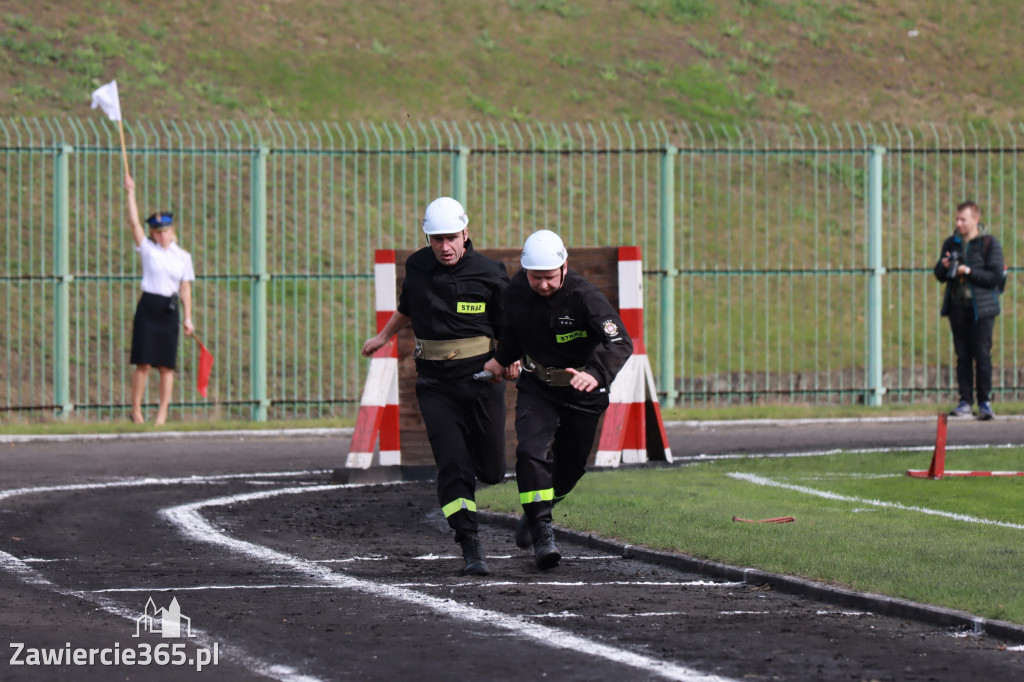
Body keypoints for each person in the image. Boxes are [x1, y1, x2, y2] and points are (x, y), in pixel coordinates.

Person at [361, 197, 517, 576]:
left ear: (466, 234)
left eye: (451, 238)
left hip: (481, 380)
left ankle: (478, 504)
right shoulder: (416, 267)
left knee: (493, 471)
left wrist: (513, 359)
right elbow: (408, 308)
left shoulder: (490, 273)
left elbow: (511, 323)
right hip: (434, 383)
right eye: (436, 239)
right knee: (452, 463)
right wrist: (383, 337)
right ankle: (470, 543)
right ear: (427, 238)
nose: (444, 247)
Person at [483, 230, 632, 570]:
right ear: (525, 271)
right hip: (538, 386)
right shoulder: (518, 290)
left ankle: (540, 509)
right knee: (529, 452)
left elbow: (621, 342)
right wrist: (500, 359)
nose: (544, 284)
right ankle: (542, 531)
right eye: (536, 277)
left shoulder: (586, 297)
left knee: (571, 466)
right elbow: (512, 333)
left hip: (584, 390)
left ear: (564, 267)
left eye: (549, 277)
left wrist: (595, 373)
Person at [124, 173, 196, 425]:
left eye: (165, 231)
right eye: (157, 232)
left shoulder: (182, 256)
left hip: (169, 309)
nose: (162, 236)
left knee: (166, 365)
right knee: (143, 363)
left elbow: (185, 288)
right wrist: (130, 193)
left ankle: (162, 414)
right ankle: (136, 411)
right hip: (149, 307)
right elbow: (134, 224)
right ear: (152, 234)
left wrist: (188, 318)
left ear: (171, 231)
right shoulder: (148, 251)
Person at [934, 200, 1004, 420]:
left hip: (982, 309)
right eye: (957, 219)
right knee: (962, 356)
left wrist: (969, 271)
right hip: (957, 307)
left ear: (975, 219)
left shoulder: (989, 243)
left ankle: (984, 402)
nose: (959, 223)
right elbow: (938, 274)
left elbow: (994, 277)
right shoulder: (951, 243)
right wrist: (945, 267)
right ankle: (965, 401)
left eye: (963, 219)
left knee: (982, 355)